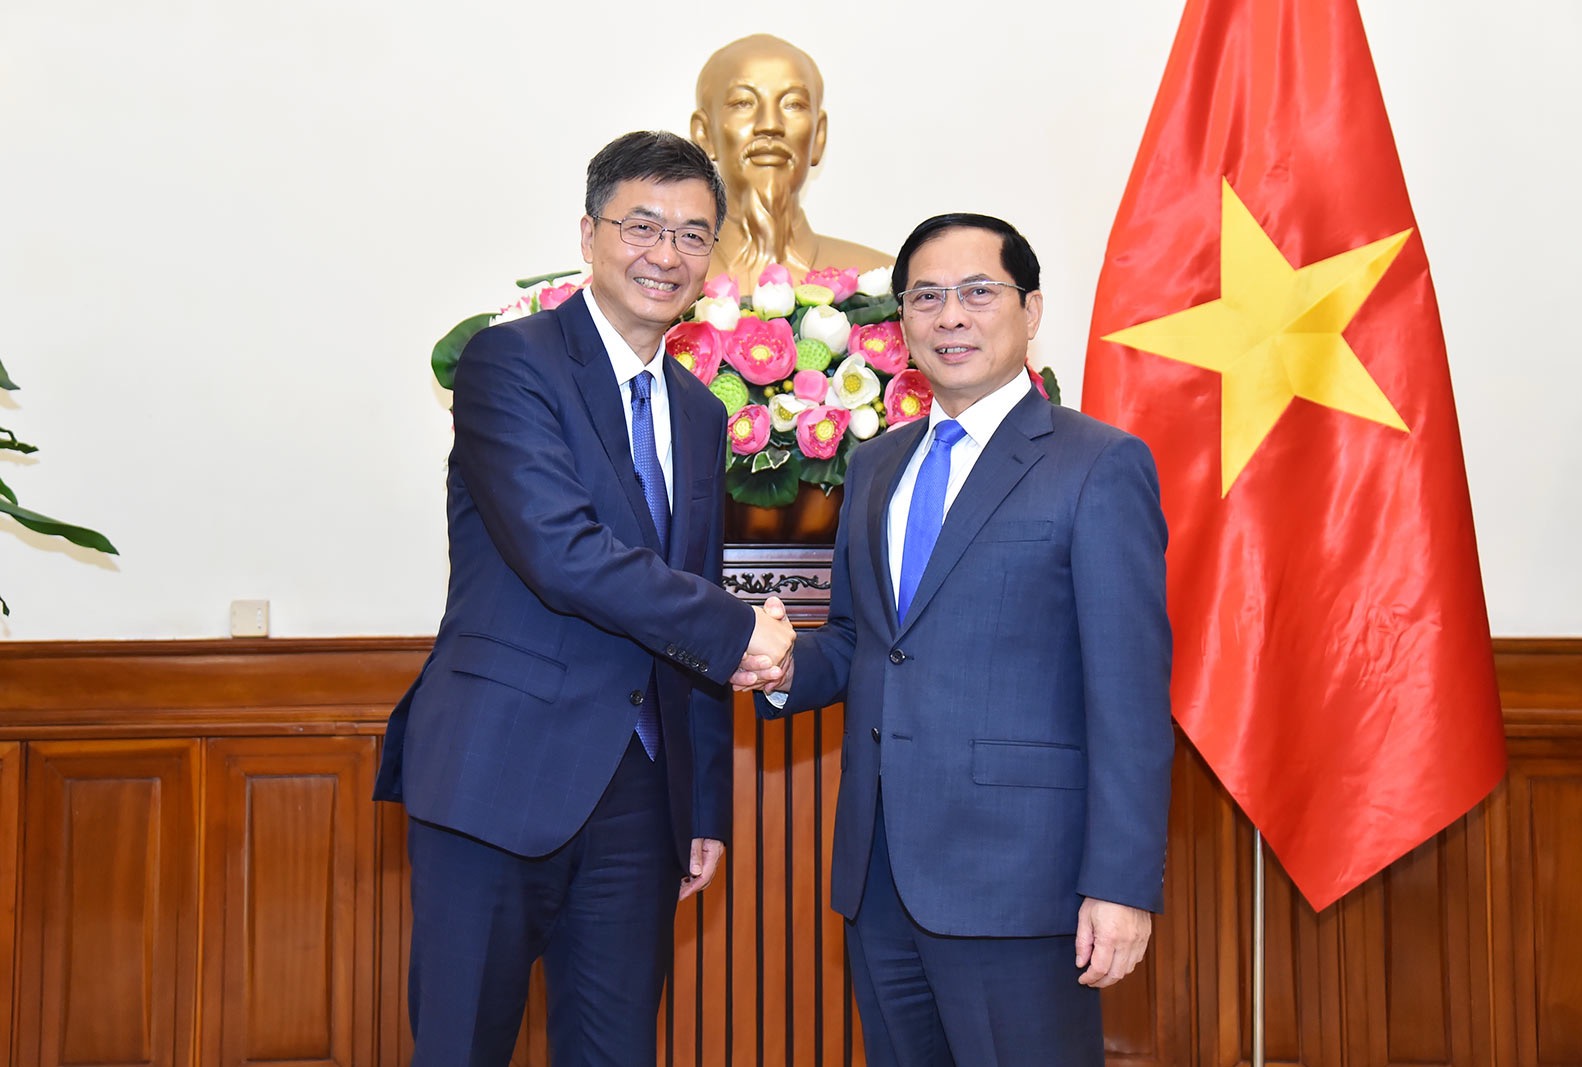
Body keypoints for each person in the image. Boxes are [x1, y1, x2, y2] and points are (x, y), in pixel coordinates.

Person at [374, 130, 795, 1067]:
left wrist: (703, 805)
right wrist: (741, 631)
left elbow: (691, 591)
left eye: (693, 235)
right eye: (641, 226)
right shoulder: (509, 363)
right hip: (495, 773)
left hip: (641, 795)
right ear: (589, 234)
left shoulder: (700, 411)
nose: (666, 254)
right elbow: (561, 552)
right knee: (461, 1047)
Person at [740, 214, 1174, 1065]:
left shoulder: (1098, 463)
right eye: (926, 297)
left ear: (1031, 309)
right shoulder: (875, 464)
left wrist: (1121, 885)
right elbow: (865, 641)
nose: (951, 316)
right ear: (902, 320)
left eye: (978, 292)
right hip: (880, 877)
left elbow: (1129, 696)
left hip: (1023, 885)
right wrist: (784, 662)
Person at [690, 33, 893, 292]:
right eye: (743, 103)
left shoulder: (882, 284)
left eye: (793, 104)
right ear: (704, 134)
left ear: (818, 136)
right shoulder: (672, 285)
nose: (770, 124)